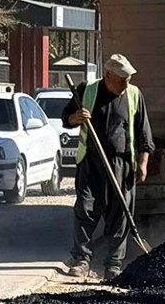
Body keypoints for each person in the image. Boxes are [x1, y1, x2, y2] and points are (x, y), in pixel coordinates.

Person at [61, 53, 154, 280]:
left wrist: (142, 164)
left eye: (128, 78)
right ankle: (82, 260)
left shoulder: (133, 95)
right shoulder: (87, 90)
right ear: (108, 75)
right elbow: (65, 118)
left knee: (120, 213)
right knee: (85, 209)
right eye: (121, 78)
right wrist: (76, 117)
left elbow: (144, 133)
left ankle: (113, 264)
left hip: (122, 164)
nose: (126, 82)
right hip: (91, 162)